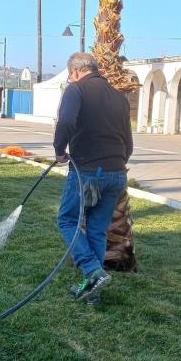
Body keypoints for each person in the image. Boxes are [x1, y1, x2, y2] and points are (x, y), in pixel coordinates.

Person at [54, 52, 133, 305]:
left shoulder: (76, 90)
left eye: (70, 76)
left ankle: (91, 269)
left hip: (88, 173)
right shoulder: (120, 98)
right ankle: (93, 293)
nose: (70, 79)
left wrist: (59, 151)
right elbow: (128, 143)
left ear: (76, 72)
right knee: (97, 230)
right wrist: (117, 164)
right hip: (117, 173)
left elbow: (66, 120)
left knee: (67, 220)